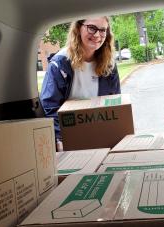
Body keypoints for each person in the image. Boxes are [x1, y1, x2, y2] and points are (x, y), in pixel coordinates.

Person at [40, 17, 120, 150]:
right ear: (78, 28)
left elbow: (116, 104)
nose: (97, 35)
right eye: (92, 28)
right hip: (69, 136)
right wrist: (61, 139)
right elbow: (50, 107)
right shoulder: (59, 64)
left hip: (101, 134)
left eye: (102, 30)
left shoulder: (109, 64)